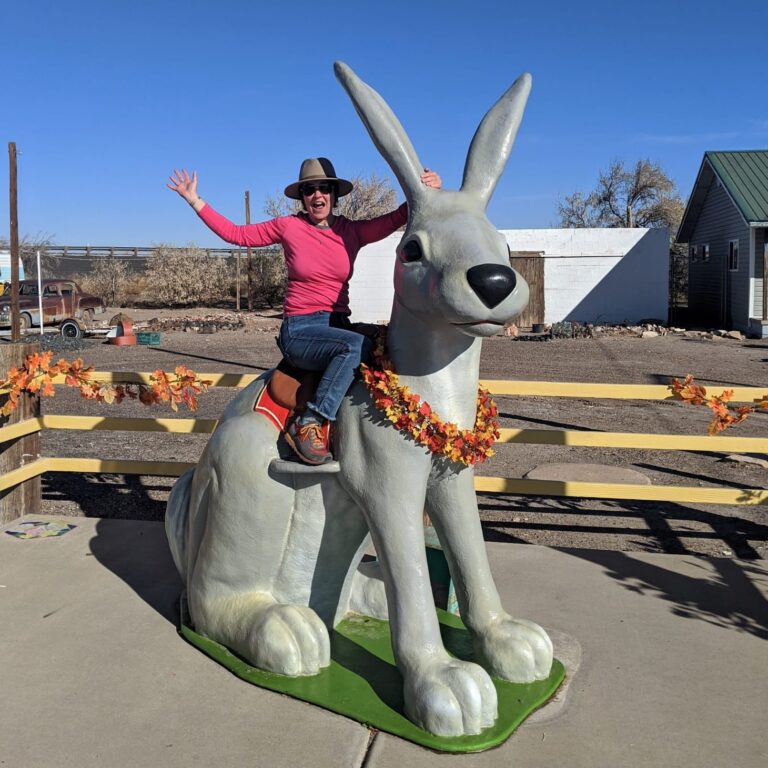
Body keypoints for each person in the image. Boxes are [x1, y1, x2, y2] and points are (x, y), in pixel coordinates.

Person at [168, 157, 441, 465]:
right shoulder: (289, 227)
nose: (317, 195)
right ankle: (311, 420)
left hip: (338, 324)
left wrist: (426, 189)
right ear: (302, 197)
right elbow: (236, 234)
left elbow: (396, 218)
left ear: (334, 195)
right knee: (356, 346)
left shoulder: (351, 231)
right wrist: (195, 201)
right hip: (301, 330)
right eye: (309, 190)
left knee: (388, 341)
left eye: (324, 188)